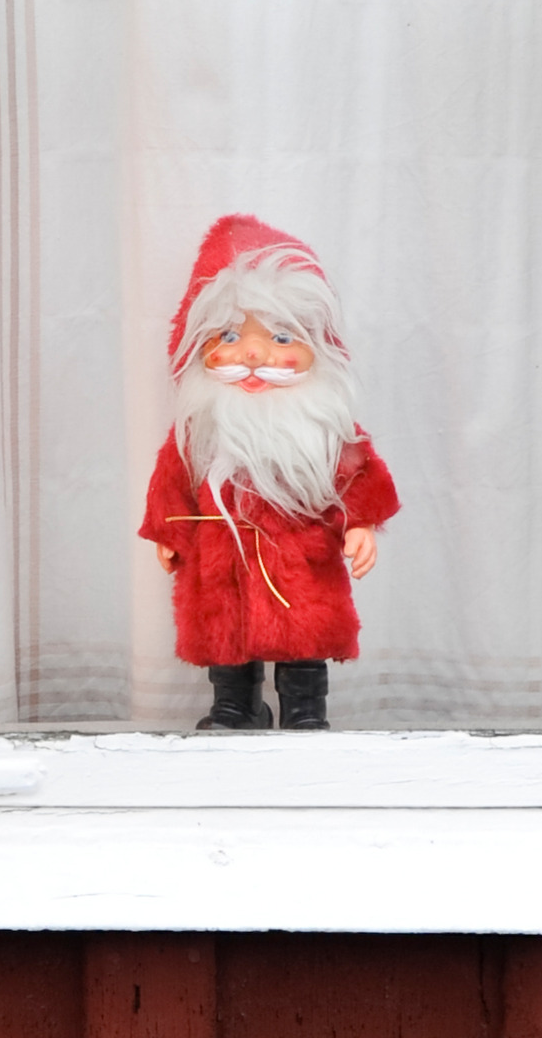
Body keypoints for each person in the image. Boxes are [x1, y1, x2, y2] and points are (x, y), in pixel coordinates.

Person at [140, 213, 400, 731]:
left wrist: (360, 523)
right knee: (226, 634)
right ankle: (236, 707)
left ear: (317, 350)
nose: (254, 355)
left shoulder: (326, 429)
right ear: (201, 346)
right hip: (222, 558)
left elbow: (359, 476)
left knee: (304, 633)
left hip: (300, 560)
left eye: (282, 338)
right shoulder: (200, 428)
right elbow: (172, 478)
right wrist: (167, 533)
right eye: (232, 336)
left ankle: (305, 710)